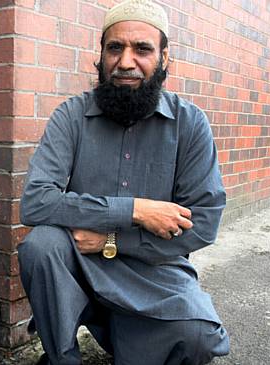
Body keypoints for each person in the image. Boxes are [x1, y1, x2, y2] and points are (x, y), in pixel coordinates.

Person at [17, 1, 230, 364]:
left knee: (200, 340)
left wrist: (111, 239)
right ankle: (61, 358)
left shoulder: (189, 123)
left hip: (151, 268)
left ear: (165, 59)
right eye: (115, 48)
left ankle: (131, 336)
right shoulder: (72, 115)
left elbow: (204, 222)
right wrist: (135, 210)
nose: (126, 62)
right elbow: (36, 202)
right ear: (100, 57)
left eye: (142, 49)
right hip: (79, 261)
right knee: (42, 245)